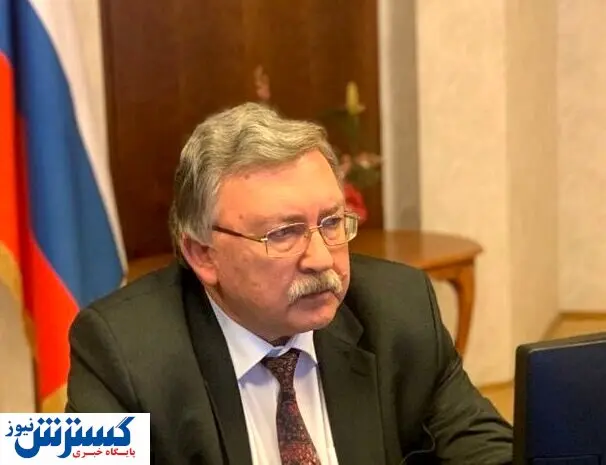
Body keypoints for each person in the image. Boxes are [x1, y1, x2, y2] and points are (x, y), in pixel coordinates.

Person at [66, 102, 513, 465]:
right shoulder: (118, 349)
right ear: (203, 255)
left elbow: (489, 451)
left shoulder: (399, 309)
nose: (321, 259)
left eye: (331, 223)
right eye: (283, 234)